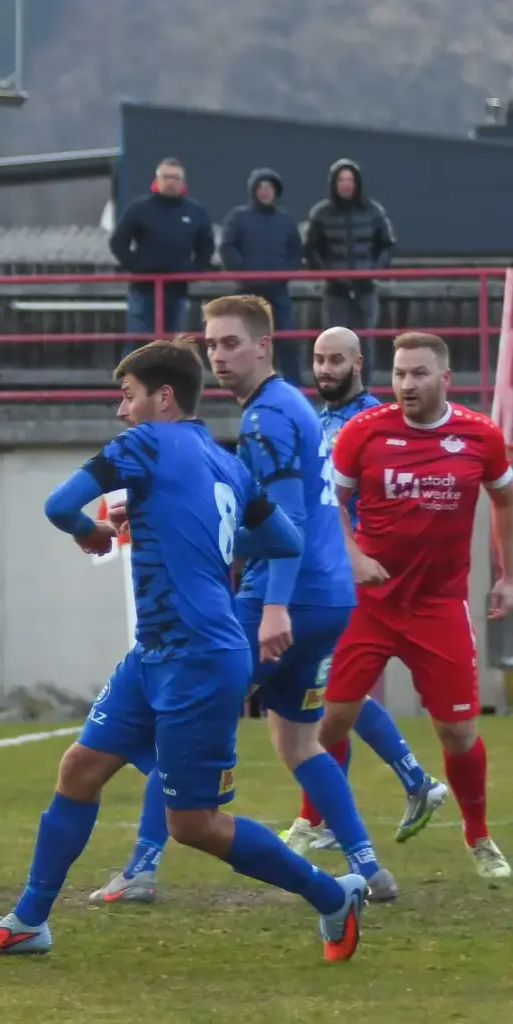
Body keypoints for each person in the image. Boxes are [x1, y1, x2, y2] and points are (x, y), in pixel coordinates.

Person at [0, 339, 369, 963]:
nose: (121, 411)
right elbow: (282, 538)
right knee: (79, 769)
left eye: (128, 395)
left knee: (193, 825)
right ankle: (29, 920)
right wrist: (204, 544)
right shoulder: (226, 463)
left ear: (162, 397)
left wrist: (93, 531)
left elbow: (58, 505)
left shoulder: (144, 444)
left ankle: (332, 895)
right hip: (158, 652)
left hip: (198, 656)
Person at [85, 302, 396, 909]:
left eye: (230, 343)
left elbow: (291, 521)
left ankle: (143, 868)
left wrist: (274, 607)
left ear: (264, 347)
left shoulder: (267, 420)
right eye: (211, 344)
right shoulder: (286, 408)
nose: (218, 356)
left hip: (288, 596)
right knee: (299, 742)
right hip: (328, 597)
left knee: (173, 713)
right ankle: (368, 865)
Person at [321, 332, 513, 881]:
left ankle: (478, 836)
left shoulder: (480, 436)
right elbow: (328, 502)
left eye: (419, 374)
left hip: (438, 607)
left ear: (445, 379)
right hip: (370, 603)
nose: (406, 384)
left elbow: (505, 499)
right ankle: (323, 824)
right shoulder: (364, 431)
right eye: (400, 373)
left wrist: (507, 576)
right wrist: (353, 556)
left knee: (458, 734)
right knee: (332, 721)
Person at [279, 328, 448, 854]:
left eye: (336, 360)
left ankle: (397, 789)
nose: (324, 369)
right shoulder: (317, 418)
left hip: (348, 574)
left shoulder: (376, 423)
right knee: (329, 693)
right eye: (317, 360)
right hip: (317, 569)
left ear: (359, 363)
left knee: (332, 694)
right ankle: (404, 786)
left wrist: (357, 555)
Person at [302, 160, 396, 382]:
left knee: (364, 344)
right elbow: (311, 249)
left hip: (366, 288)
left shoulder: (373, 212)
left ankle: (364, 392)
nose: (346, 185)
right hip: (336, 291)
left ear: (357, 183)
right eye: (341, 180)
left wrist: (374, 272)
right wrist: (328, 274)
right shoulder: (321, 213)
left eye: (349, 180)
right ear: (334, 184)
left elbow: (387, 245)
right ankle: (337, 392)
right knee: (335, 344)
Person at [109, 157, 215, 354]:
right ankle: (129, 383)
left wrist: (195, 272)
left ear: (183, 182)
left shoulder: (195, 211)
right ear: (157, 179)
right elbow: (118, 241)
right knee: (138, 344)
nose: (171, 182)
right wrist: (135, 265)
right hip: (144, 289)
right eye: (166, 177)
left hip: (178, 290)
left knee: (175, 346)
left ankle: (171, 384)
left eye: (175, 177)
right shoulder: (139, 208)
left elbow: (206, 246)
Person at [218, 169, 303, 382]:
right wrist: (243, 271)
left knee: (286, 340)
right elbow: (227, 246)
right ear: (254, 191)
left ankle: (295, 387)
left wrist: (286, 272)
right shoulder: (238, 217)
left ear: (276, 192)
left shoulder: (285, 220)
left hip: (278, 289)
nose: (265, 192)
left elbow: (296, 250)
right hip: (247, 291)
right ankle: (244, 384)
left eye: (269, 188)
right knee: (245, 341)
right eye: (261, 187)